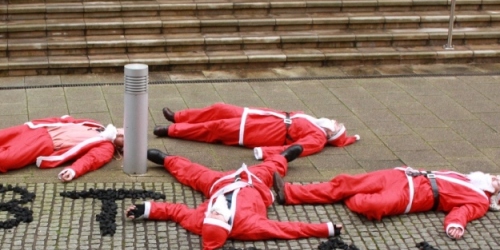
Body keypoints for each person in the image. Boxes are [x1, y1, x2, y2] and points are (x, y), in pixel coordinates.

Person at [126, 147, 342, 250]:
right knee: (269, 169)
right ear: (226, 224)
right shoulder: (249, 226)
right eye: (217, 216)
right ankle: (284, 157)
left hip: (218, 185)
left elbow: (175, 211)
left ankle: (165, 159)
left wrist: (145, 209)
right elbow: (287, 229)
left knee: (194, 173)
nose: (214, 211)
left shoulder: (198, 220)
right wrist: (327, 229)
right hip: (253, 184)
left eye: (211, 214)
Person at [279, 167, 500, 239]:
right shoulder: (468, 176)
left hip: (412, 197)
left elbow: (462, 213)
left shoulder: (479, 202)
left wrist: (456, 226)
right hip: (401, 176)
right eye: (495, 176)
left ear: (495, 196)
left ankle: (346, 197)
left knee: (372, 207)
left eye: (496, 182)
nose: (491, 177)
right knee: (347, 182)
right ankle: (290, 193)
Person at [153, 104, 359, 157]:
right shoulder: (315, 122)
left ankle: (172, 130)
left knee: (216, 129)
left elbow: (296, 149)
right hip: (257, 116)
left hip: (258, 131)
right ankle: (178, 116)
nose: (335, 121)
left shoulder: (318, 138)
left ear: (332, 134)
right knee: (219, 109)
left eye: (337, 125)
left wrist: (265, 152)